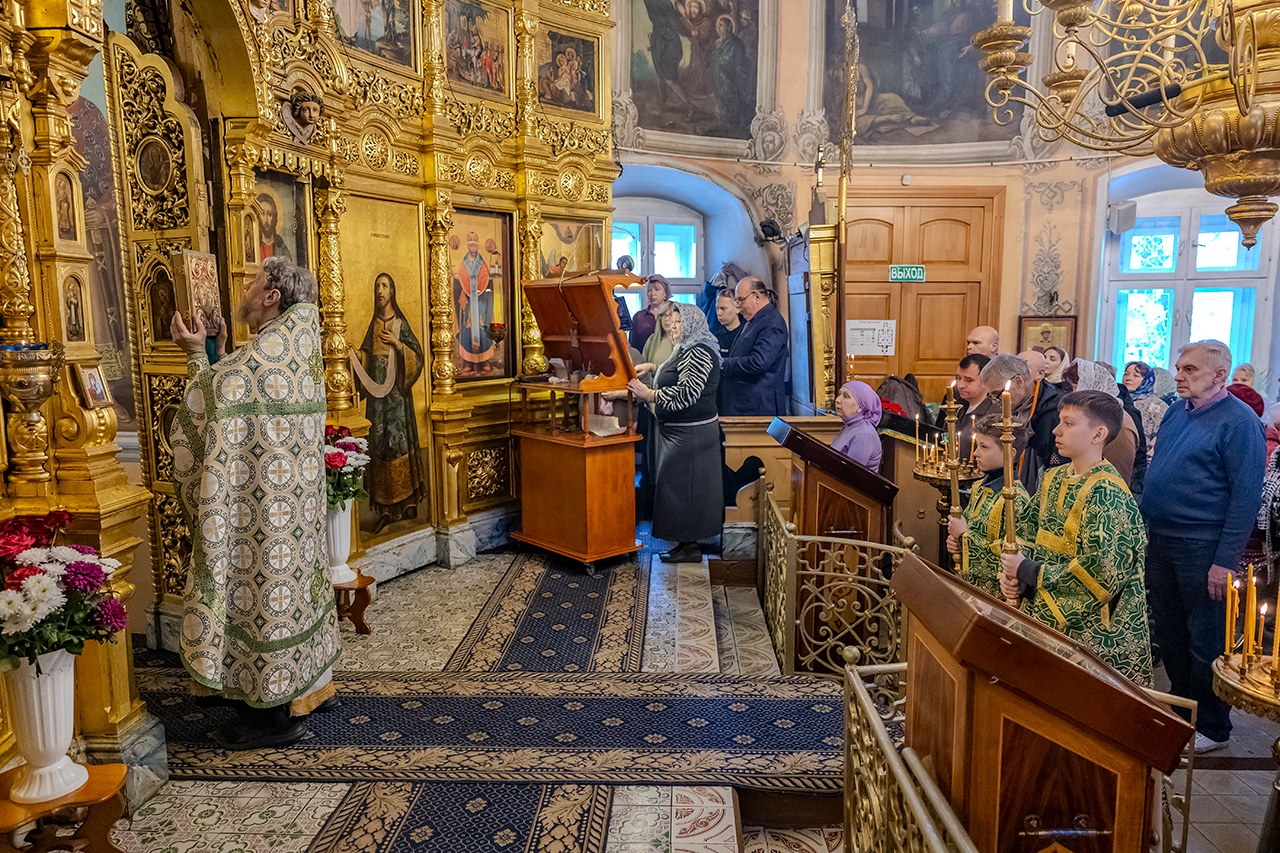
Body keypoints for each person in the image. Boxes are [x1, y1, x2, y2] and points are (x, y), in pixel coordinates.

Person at [168, 256, 339, 749]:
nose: (243, 289)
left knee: (264, 600)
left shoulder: (264, 356)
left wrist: (196, 354)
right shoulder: (297, 347)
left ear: (271, 297)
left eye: (252, 283)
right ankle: (309, 687)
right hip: (294, 514)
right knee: (295, 597)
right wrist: (221, 348)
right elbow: (241, 384)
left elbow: (213, 398)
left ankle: (270, 720)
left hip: (262, 517)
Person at [1142, 340, 1266, 753]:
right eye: (1179, 368)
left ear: (1220, 375)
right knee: (1171, 632)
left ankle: (1212, 726)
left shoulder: (1240, 422)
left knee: (1205, 638)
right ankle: (1183, 711)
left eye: (1190, 369)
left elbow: (1245, 498)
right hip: (1161, 539)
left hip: (1203, 545)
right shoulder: (1177, 412)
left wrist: (1224, 561)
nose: (1179, 375)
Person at [1000, 390, 1154, 685]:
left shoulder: (1108, 493)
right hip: (1043, 619)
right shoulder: (1053, 477)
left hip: (1093, 638)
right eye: (1059, 421)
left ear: (1098, 434)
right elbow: (1027, 531)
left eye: (1068, 423)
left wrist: (1029, 571)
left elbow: (1102, 574)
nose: (1056, 430)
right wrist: (1016, 575)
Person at [628, 303, 723, 564]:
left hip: (692, 435)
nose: (674, 326)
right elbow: (675, 375)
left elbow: (686, 395)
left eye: (680, 322)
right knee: (678, 489)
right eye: (674, 321)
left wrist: (649, 394)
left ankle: (690, 546)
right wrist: (653, 367)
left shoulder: (699, 351)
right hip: (681, 433)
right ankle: (684, 543)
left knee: (686, 491)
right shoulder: (687, 348)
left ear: (692, 324)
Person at [358, 273, 427, 535]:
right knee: (381, 448)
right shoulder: (374, 324)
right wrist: (357, 356)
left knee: (400, 446)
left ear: (392, 291)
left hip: (398, 400)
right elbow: (367, 355)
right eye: (377, 286)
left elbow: (417, 357)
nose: (380, 290)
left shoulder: (399, 323)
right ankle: (385, 510)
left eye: (385, 286)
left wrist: (398, 344)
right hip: (378, 402)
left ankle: (408, 504)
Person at [947, 414, 1034, 600]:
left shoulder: (1017, 500)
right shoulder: (979, 487)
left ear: (1009, 453)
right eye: (977, 445)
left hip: (994, 600)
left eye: (984, 447)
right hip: (968, 588)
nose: (975, 453)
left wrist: (964, 537)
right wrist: (957, 543)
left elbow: (1011, 559)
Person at [981, 354, 1062, 493]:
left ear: (1018, 381)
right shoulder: (1016, 405)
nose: (995, 401)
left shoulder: (1053, 412)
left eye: (997, 394)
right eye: (991, 396)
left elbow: (1055, 469)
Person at [1063, 359, 1143, 487]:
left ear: (1091, 387)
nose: (1073, 394)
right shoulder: (1093, 415)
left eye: (1076, 387)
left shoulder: (1118, 422)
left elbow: (1115, 478)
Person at [721, 277, 788, 416]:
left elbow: (758, 362)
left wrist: (723, 364)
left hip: (758, 408)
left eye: (741, 300)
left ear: (756, 296)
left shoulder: (771, 321)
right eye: (736, 301)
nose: (738, 306)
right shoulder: (756, 319)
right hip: (746, 406)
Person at [454, 232, 496, 373]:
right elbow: (462, 275)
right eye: (471, 246)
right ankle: (468, 361)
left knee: (482, 326)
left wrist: (481, 287)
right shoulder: (464, 262)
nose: (473, 248)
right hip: (467, 301)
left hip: (481, 299)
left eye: (475, 246)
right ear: (468, 247)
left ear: (477, 247)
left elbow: (484, 275)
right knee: (467, 328)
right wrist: (458, 278)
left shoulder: (481, 262)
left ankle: (484, 360)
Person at [831, 380, 882, 471]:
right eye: (839, 394)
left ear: (860, 407)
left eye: (846, 396)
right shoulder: (850, 426)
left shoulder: (864, 434)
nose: (837, 400)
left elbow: (850, 472)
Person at [1123, 361, 1167, 459]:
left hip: (1144, 458)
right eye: (1126, 374)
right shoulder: (1118, 401)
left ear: (1146, 380)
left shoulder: (1157, 406)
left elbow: (1160, 439)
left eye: (1136, 375)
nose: (1128, 378)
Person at [629, 274, 670, 353]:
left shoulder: (674, 314)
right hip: (643, 359)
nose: (652, 294)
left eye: (657, 289)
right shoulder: (639, 317)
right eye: (649, 290)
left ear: (665, 293)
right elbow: (633, 347)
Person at [256, 192, 290, 260]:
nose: (266, 220)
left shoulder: (281, 247)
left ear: (274, 217)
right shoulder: (253, 245)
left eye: (269, 214)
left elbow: (289, 265)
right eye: (262, 214)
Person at [714, 288, 742, 358]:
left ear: (737, 308)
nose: (719, 313)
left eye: (723, 308)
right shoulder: (715, 337)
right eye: (717, 308)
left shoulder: (745, 335)